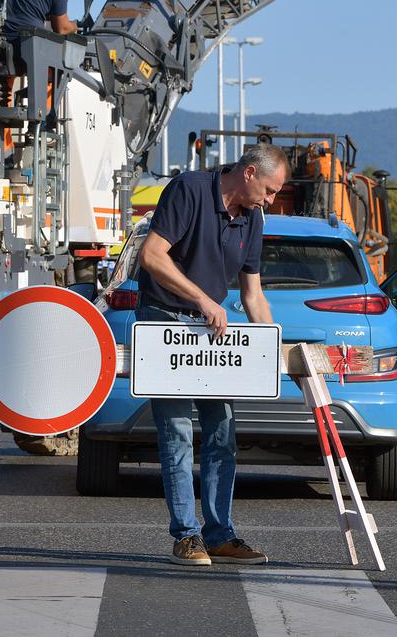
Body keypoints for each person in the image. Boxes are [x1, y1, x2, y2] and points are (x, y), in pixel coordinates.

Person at [135, 142, 290, 566]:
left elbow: (253, 294)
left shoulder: (253, 218)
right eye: (271, 190)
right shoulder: (189, 190)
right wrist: (203, 299)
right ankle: (186, 537)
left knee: (222, 434)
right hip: (166, 322)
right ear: (249, 174)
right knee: (178, 433)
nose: (272, 201)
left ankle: (220, 535)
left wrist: (273, 347)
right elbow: (152, 256)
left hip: (211, 333)